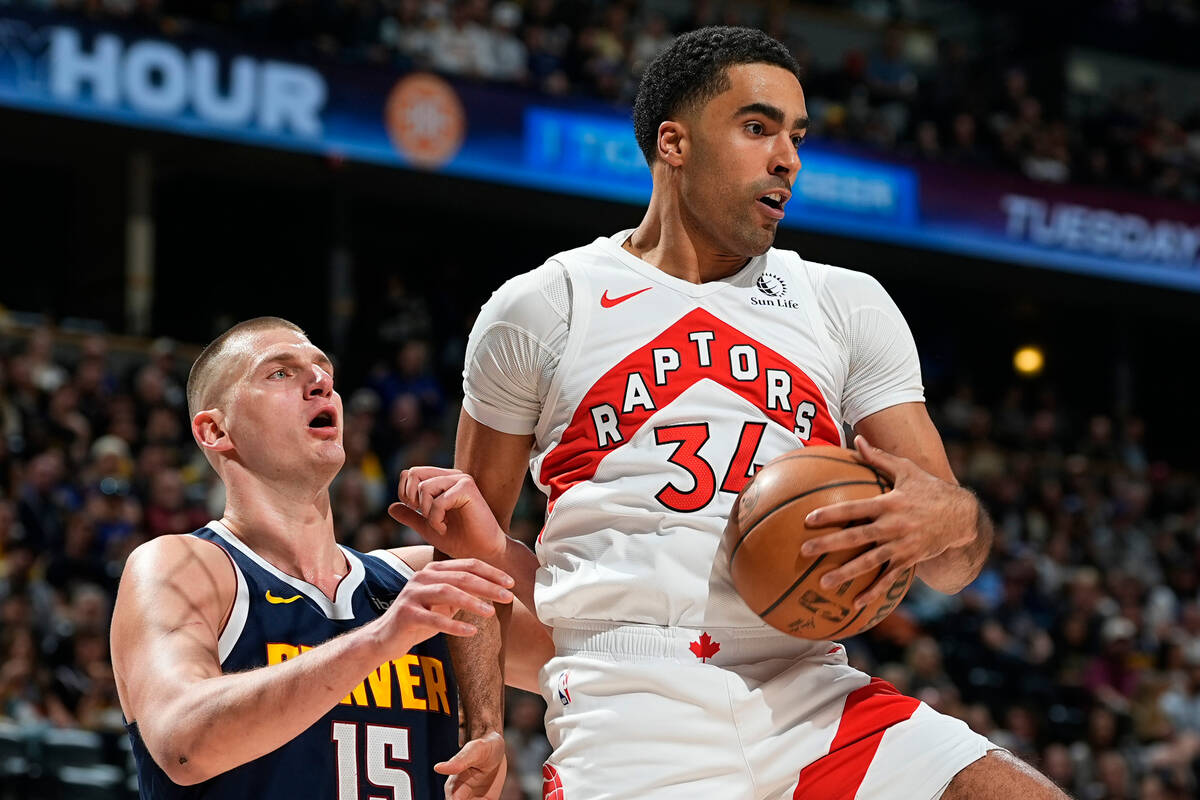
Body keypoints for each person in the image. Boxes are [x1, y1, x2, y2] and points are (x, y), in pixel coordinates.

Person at [391, 26, 1070, 800]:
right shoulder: (543, 306)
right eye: (758, 128)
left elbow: (955, 562)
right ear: (674, 144)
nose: (789, 158)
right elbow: (470, 562)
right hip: (629, 698)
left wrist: (950, 521)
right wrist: (481, 726)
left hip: (809, 682)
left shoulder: (844, 303)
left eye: (797, 135)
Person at [109, 317, 514, 799]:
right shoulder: (185, 565)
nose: (320, 382)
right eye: (279, 373)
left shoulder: (415, 579)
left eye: (325, 371)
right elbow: (182, 744)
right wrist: (380, 639)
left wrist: (492, 552)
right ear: (215, 429)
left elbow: (584, 641)